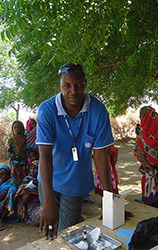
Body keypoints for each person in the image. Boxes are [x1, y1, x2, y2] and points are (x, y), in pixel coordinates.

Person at [36, 63, 114, 240]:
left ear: (85, 84)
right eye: (67, 86)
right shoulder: (47, 110)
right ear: (60, 86)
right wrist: (47, 202)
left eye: (79, 85)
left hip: (75, 181)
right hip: (49, 179)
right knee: (50, 229)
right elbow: (45, 156)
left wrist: (110, 199)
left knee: (68, 231)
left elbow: (101, 155)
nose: (74, 91)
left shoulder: (98, 111)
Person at [15, 160, 41, 227]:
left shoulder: (45, 180)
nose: (32, 171)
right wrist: (27, 194)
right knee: (45, 211)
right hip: (32, 209)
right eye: (31, 169)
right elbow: (23, 201)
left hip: (43, 204)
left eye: (35, 169)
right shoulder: (27, 180)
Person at [7, 120, 28, 184]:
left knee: (24, 180)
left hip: (23, 163)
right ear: (12, 129)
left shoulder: (26, 138)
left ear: (22, 128)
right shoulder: (11, 140)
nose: (16, 129)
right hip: (13, 163)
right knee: (14, 180)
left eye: (18, 127)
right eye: (14, 128)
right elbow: (9, 152)